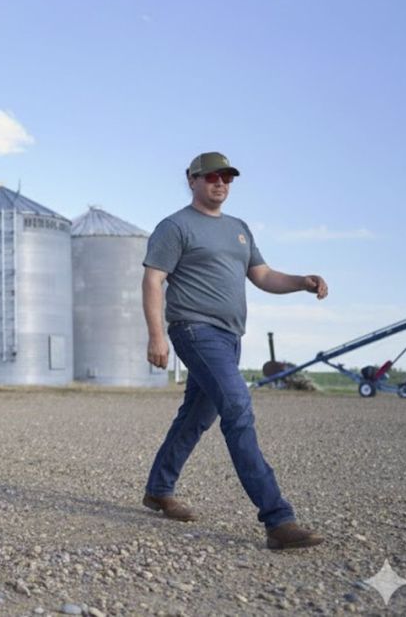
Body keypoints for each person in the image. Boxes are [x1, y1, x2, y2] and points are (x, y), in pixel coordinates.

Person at [140, 151, 328, 550]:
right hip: (194, 331)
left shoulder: (239, 229)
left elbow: (262, 275)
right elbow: (154, 280)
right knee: (238, 409)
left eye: (226, 176)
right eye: (210, 177)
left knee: (195, 416)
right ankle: (278, 519)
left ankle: (159, 489)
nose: (219, 183)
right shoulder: (175, 227)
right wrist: (156, 335)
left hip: (230, 337)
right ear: (191, 180)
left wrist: (301, 281)